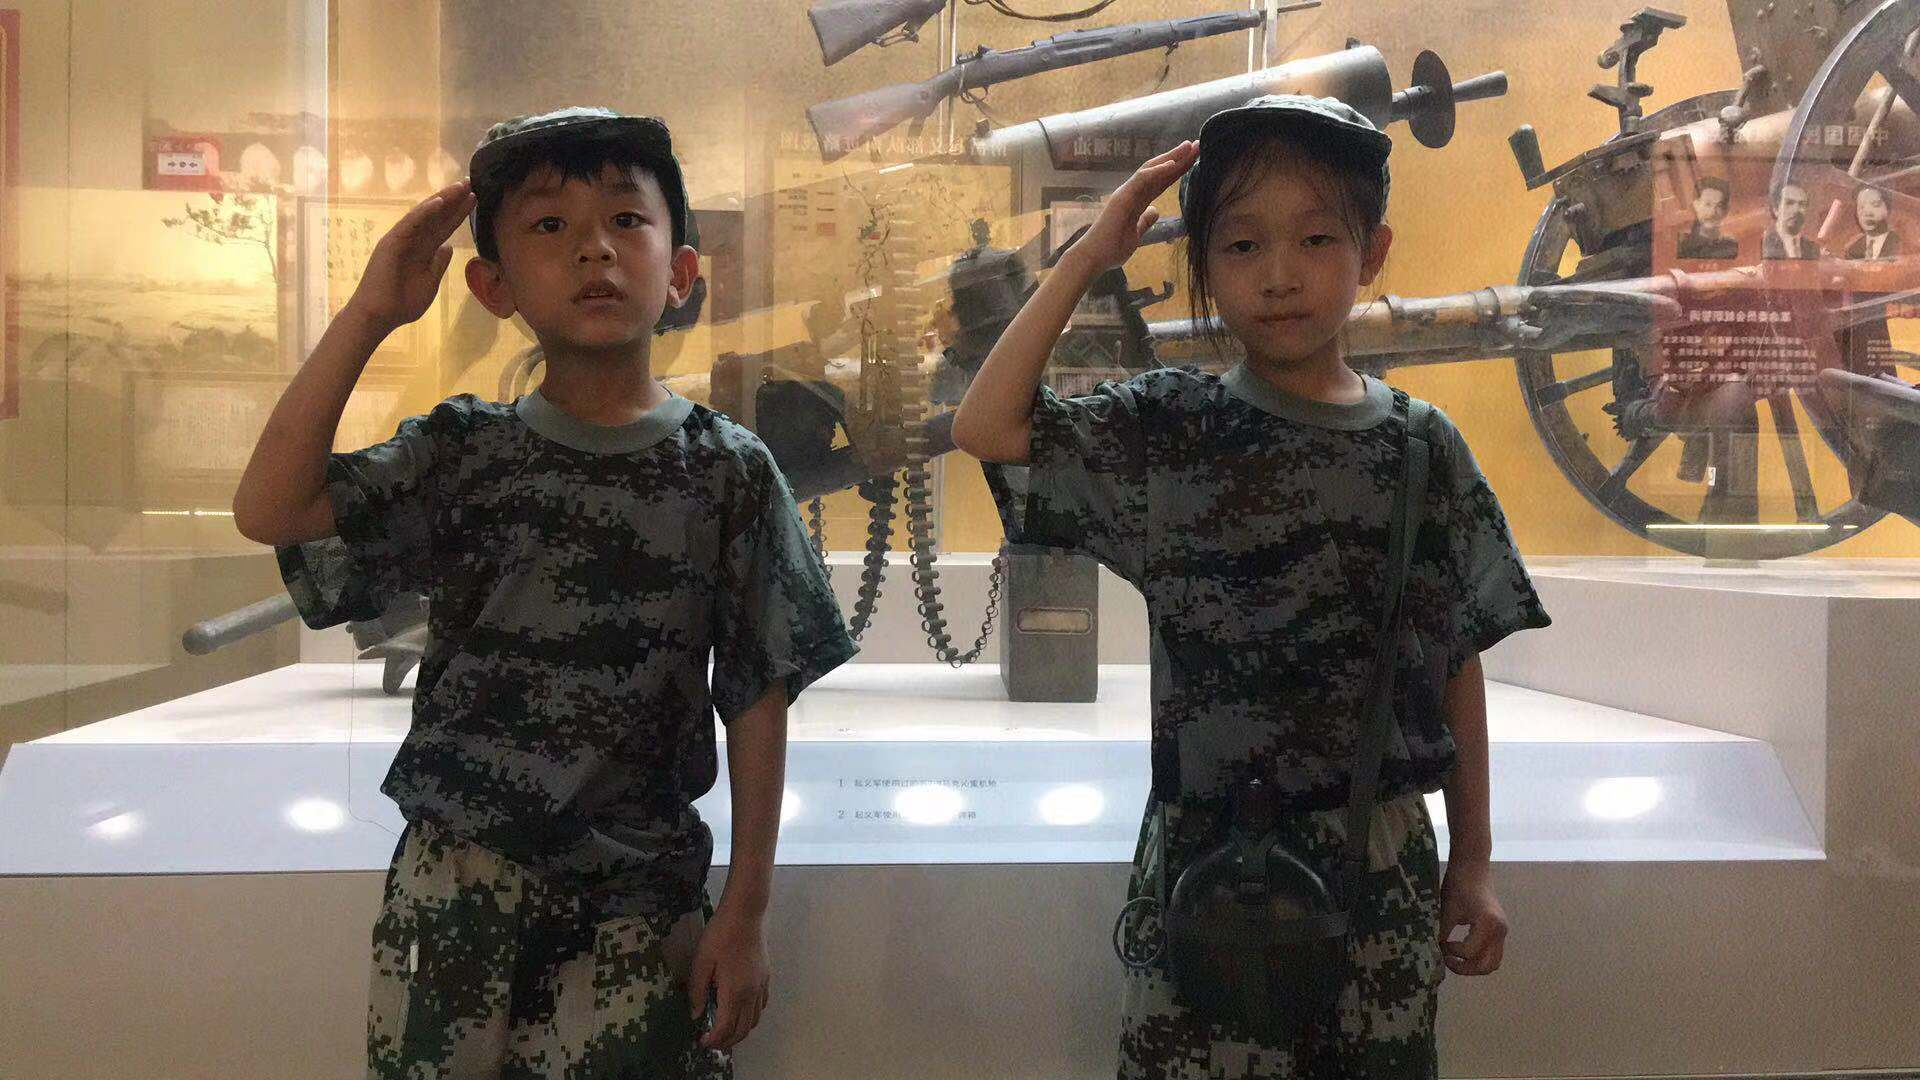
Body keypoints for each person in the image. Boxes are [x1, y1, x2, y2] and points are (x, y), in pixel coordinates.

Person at [230, 107, 856, 1078]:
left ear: (682, 272)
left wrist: (746, 909)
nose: (594, 249)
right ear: (493, 285)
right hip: (458, 889)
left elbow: (757, 694)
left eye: (627, 220)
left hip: (637, 898)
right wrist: (370, 314)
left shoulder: (726, 471)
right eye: (550, 225)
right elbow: (271, 508)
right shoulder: (464, 452)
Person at [952, 95, 1550, 1078]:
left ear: (1373, 251)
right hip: (1203, 863)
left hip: (1376, 866)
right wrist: (1088, 255)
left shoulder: (1421, 449)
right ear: (1203, 267)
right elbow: (987, 424)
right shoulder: (1169, 430)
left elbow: (1453, 661)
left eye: (1316, 239)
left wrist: (1474, 860)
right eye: (1239, 246)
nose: (1278, 274)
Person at [1676, 176, 1739, 261]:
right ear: (1696, 205)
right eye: (1707, 204)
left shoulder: (1731, 246)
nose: (1713, 212)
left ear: (1725, 211)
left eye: (1719, 206)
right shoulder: (1682, 246)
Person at [1763, 181, 1824, 260]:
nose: (1796, 210)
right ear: (1776, 209)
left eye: (1802, 204)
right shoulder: (1764, 243)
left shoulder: (1812, 249)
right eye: (1789, 203)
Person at [1845, 184, 1902, 260]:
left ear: (1888, 209)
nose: (1867, 213)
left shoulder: (1900, 244)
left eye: (1875, 205)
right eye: (1861, 207)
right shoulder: (1852, 249)